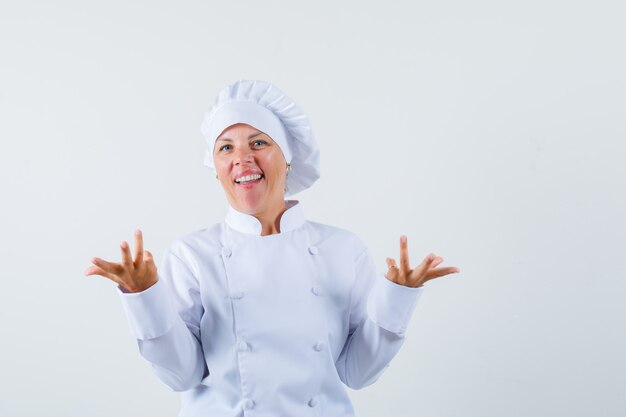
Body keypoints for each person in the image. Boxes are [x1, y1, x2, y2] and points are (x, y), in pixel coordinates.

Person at [85, 79, 460, 417]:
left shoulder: (342, 249)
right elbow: (182, 376)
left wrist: (398, 297)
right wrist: (144, 297)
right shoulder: (192, 254)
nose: (241, 159)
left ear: (288, 156)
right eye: (226, 147)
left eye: (259, 143)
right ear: (215, 167)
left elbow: (358, 373)